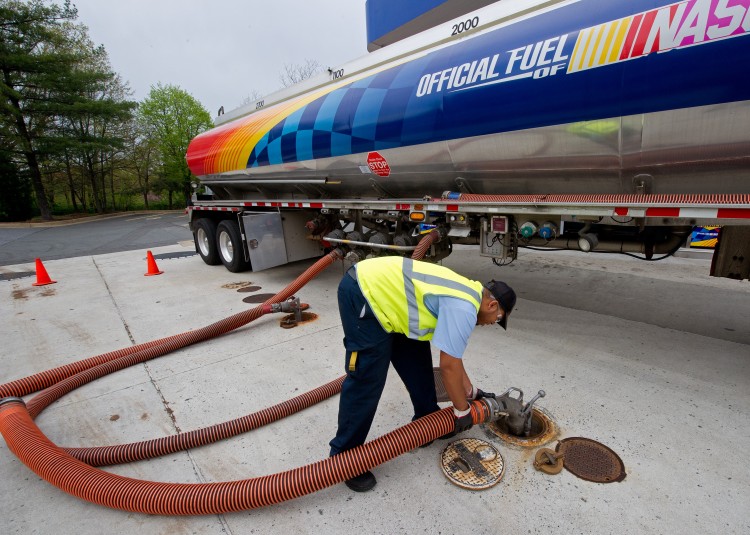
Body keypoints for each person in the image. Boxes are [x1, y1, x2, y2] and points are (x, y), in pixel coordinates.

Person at [330, 255, 517, 492]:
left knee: (418, 365)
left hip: (394, 307)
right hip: (365, 294)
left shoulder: (468, 293)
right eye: (498, 318)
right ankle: (343, 457)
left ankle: (426, 419)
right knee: (367, 379)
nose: (493, 323)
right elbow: (448, 367)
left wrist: (471, 393)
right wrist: (462, 411)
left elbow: (454, 359)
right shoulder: (464, 308)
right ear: (492, 305)